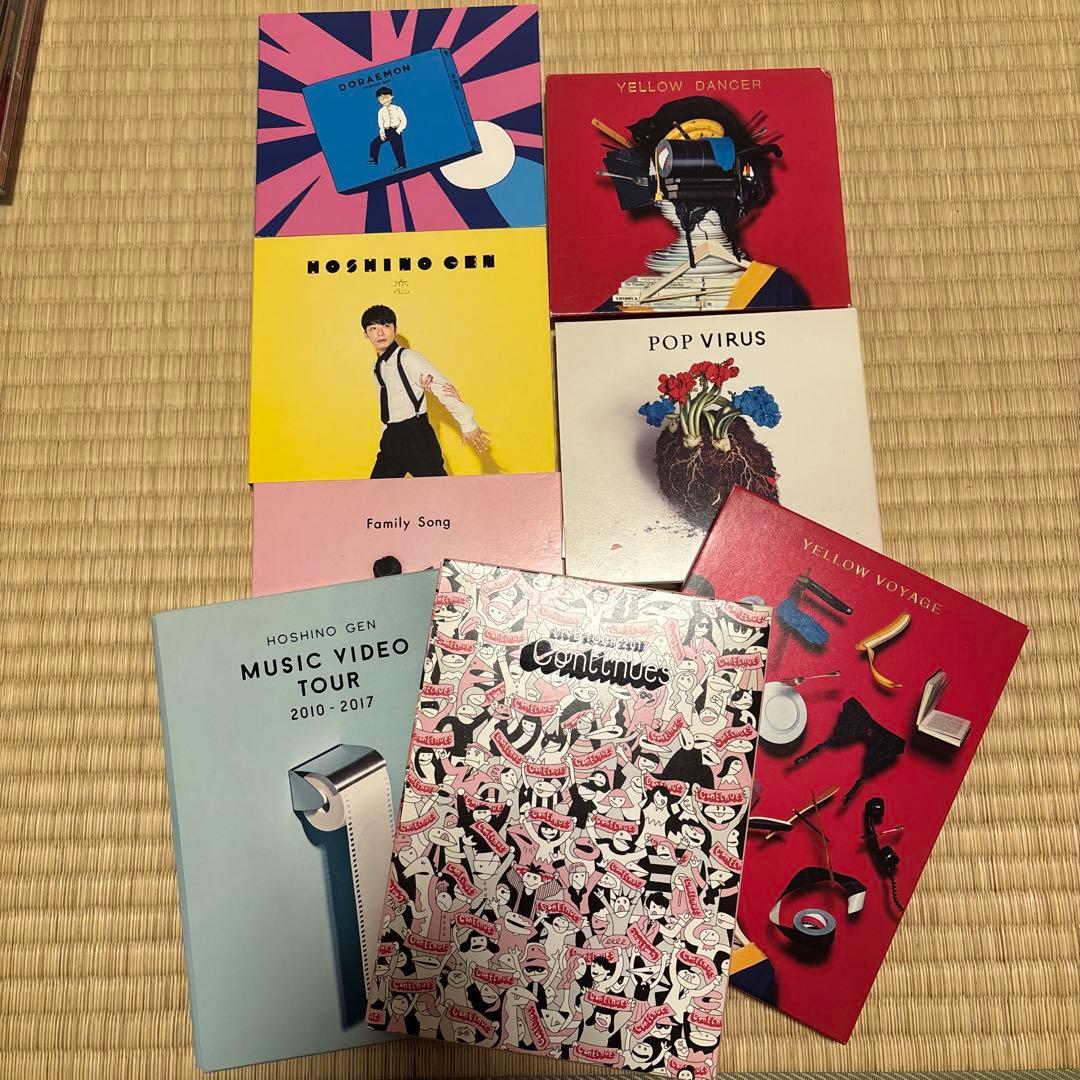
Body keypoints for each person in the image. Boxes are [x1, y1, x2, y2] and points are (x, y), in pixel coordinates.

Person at [362, 304, 490, 478]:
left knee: (437, 489)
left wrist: (467, 422)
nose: (380, 333)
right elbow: (387, 402)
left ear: (395, 329)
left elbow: (442, 387)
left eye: (386, 326)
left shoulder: (408, 358)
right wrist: (386, 430)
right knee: (378, 490)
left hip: (417, 435)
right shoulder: (377, 366)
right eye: (373, 328)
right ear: (366, 334)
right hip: (392, 437)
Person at [368, 86, 408, 170]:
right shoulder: (380, 111)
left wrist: (398, 130)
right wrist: (382, 133)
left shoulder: (397, 108)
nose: (384, 100)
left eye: (386, 97)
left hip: (396, 130)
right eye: (381, 98)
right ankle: (374, 159)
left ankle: (402, 164)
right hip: (386, 131)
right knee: (374, 143)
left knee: (397, 147)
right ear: (378, 100)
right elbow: (380, 124)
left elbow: (403, 120)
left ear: (391, 97)